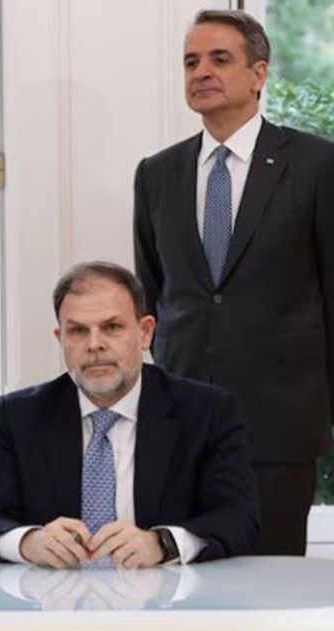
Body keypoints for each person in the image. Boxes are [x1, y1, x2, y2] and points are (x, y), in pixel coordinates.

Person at [0, 262, 258, 631]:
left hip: (164, 625)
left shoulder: (206, 411)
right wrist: (29, 541)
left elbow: (239, 518)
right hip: (45, 627)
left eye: (112, 327)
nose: (94, 344)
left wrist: (161, 543)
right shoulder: (20, 415)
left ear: (145, 332)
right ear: (60, 338)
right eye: (78, 331)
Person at [133, 8, 334, 556]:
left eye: (220, 59)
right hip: (180, 423)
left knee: (269, 583)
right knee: (181, 583)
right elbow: (154, 291)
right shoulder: (157, 173)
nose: (202, 72)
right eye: (191, 62)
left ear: (258, 73)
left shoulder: (316, 165)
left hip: (280, 423)